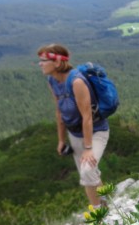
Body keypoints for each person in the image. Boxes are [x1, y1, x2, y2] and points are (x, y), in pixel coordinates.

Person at [37, 43, 109, 208]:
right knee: (87, 176)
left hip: (96, 132)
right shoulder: (52, 81)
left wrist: (89, 147)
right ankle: (100, 210)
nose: (40, 63)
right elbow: (59, 111)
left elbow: (87, 116)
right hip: (75, 134)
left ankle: (102, 211)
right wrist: (61, 140)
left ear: (57, 62)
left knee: (88, 170)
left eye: (43, 60)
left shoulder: (76, 81)